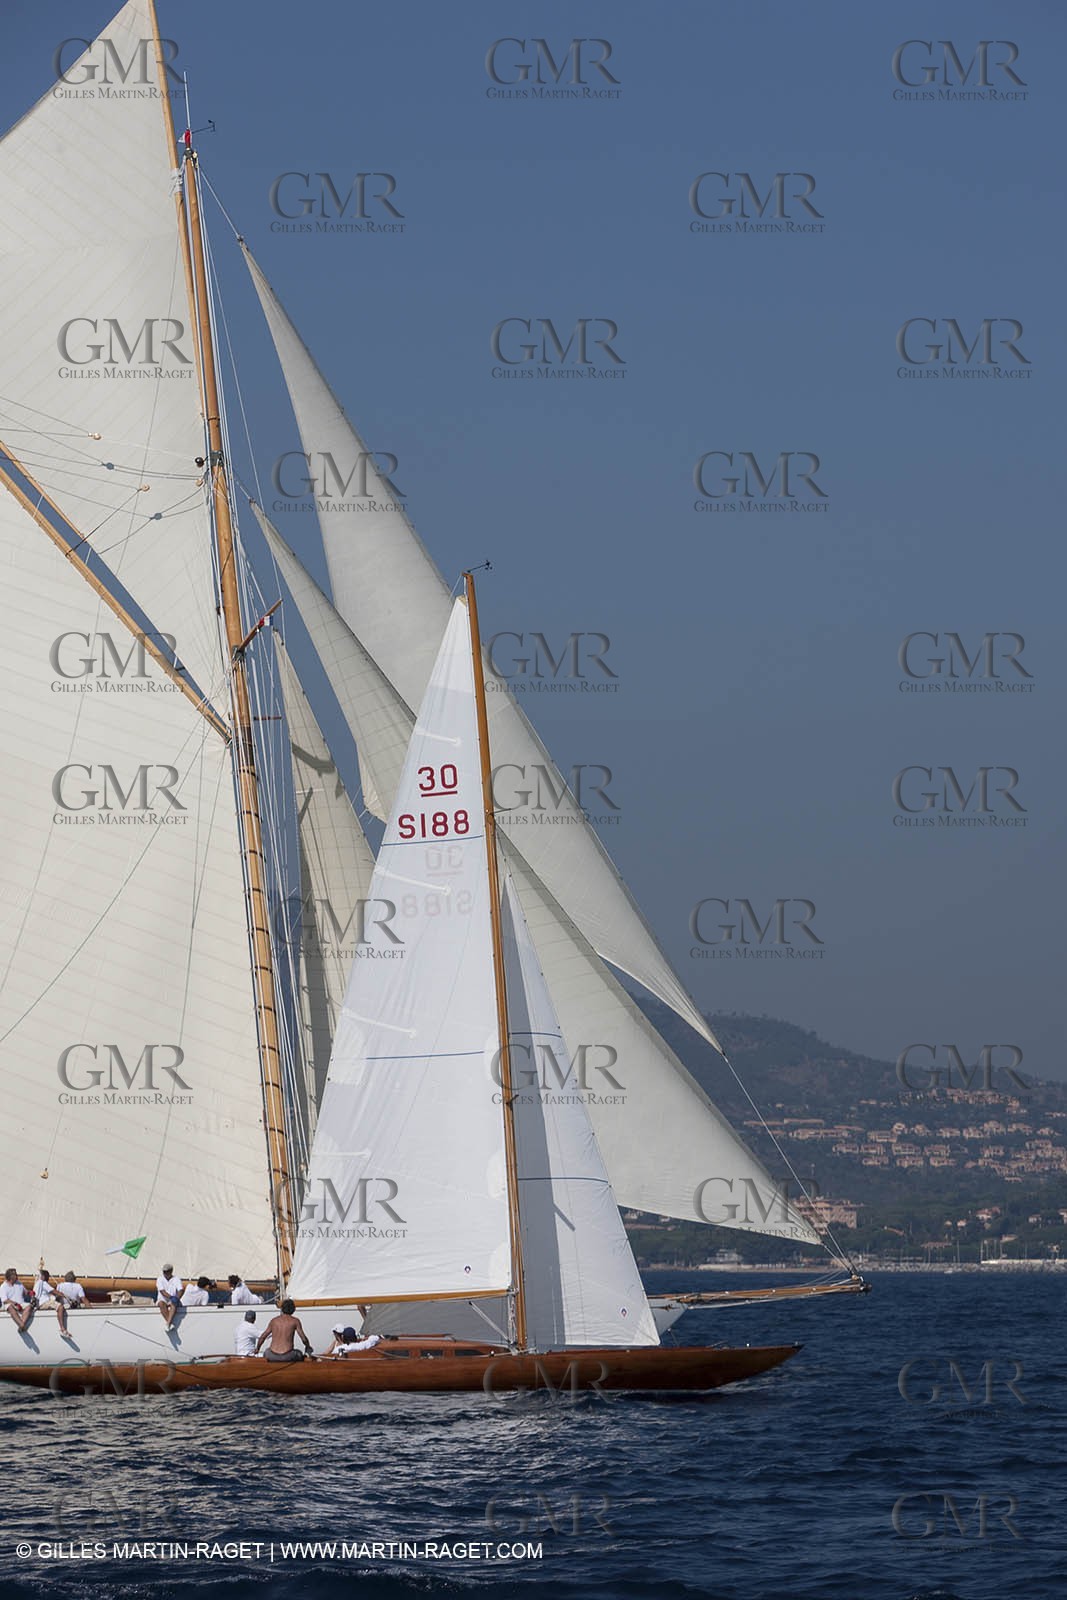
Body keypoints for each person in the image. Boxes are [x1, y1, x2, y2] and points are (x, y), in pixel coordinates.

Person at [54, 1271, 86, 1336]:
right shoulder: (78, 1286)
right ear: (74, 1279)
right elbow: (83, 1299)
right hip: (75, 1308)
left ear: (65, 1279)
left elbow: (57, 1298)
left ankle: (62, 1328)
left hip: (63, 1308)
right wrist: (90, 1308)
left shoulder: (60, 1285)